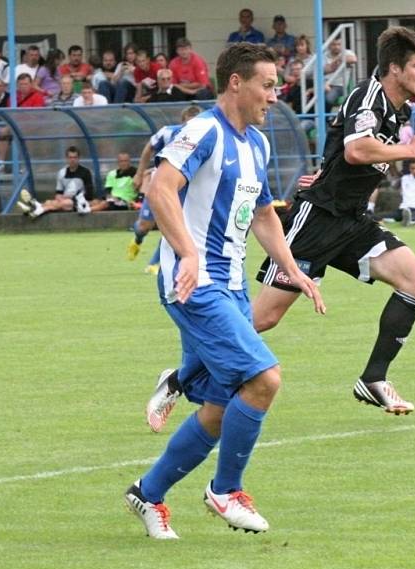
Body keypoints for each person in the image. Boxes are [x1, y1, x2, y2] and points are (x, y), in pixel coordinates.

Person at [147, 26, 415, 435]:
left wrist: (330, 170)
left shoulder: (398, 109)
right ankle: (178, 378)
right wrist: (410, 150)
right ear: (394, 68)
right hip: (318, 221)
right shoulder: (368, 96)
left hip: (353, 220)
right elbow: (357, 149)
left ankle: (373, 379)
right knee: (261, 320)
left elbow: (342, 149)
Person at [123, 42, 324, 541]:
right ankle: (226, 490)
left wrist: (292, 269)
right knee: (264, 379)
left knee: (218, 409)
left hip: (231, 286)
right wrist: (188, 253)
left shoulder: (257, 143)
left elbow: (261, 215)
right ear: (237, 82)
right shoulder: (203, 130)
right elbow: (159, 188)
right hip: (195, 285)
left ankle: (147, 493)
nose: (274, 96)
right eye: (268, 84)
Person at [127, 104, 203, 273]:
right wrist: (140, 174)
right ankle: (138, 238)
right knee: (144, 225)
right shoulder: (168, 132)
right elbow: (149, 148)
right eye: (189, 124)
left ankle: (155, 263)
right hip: (159, 187)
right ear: (182, 123)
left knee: (174, 225)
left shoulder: (206, 138)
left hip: (184, 191)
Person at [16, 146, 94, 217]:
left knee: (67, 202)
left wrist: (70, 198)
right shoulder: (61, 172)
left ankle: (37, 207)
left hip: (80, 203)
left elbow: (89, 195)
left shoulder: (85, 172)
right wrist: (62, 198)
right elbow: (58, 194)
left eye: (75, 157)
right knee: (49, 202)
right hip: (64, 202)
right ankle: (36, 209)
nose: (72, 160)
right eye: (70, 157)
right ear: (66, 158)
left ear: (78, 158)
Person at [323, 37, 358, 108]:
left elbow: (353, 59)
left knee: (328, 98)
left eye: (339, 44)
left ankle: (327, 118)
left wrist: (338, 58)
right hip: (324, 84)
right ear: (329, 45)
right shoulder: (325, 55)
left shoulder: (347, 52)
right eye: (333, 44)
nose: (336, 47)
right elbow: (323, 70)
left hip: (339, 86)